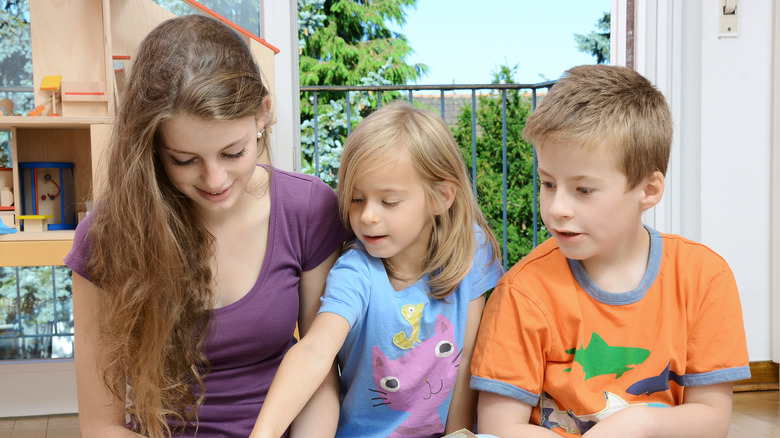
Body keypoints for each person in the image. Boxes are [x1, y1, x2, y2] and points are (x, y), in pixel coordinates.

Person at [65, 15, 351, 438]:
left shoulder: (307, 209)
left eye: (233, 152)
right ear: (151, 148)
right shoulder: (105, 236)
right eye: (184, 160)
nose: (215, 180)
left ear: (262, 115)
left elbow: (320, 375)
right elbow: (101, 426)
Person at [469, 64, 751, 437]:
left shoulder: (705, 278)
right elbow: (499, 428)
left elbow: (713, 419)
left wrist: (642, 422)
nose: (557, 208)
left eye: (583, 190)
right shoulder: (522, 293)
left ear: (648, 190)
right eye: (549, 184)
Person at [250, 102, 505, 438]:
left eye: (388, 201)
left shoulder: (473, 248)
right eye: (356, 199)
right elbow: (315, 349)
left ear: (441, 197)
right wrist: (264, 433)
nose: (367, 216)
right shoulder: (355, 272)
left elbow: (470, 353)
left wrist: (457, 433)